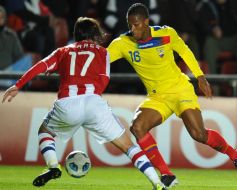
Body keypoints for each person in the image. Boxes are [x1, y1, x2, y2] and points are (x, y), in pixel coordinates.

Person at [2, 17, 166, 190]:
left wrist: (18, 84)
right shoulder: (104, 52)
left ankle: (53, 166)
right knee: (129, 147)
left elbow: (40, 66)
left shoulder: (63, 51)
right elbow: (104, 80)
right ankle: (157, 183)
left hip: (66, 103)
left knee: (45, 132)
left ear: (76, 34)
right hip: (94, 103)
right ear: (95, 34)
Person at [107, 3, 237, 188]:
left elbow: (185, 51)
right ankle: (166, 174)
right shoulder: (122, 43)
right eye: (130, 25)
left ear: (146, 22)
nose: (132, 29)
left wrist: (200, 76)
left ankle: (235, 155)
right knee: (138, 127)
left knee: (199, 134)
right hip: (157, 97)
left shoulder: (166, 34)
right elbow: (99, 60)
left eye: (136, 25)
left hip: (180, 89)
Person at [0, 5, 24, 70]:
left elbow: (19, 56)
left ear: (4, 19)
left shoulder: (11, 35)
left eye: (1, 17)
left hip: (8, 74)